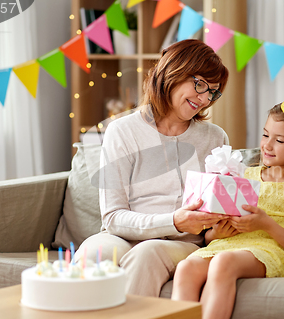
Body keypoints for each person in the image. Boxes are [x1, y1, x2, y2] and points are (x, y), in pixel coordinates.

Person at [171, 68, 284, 319]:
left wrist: (265, 224)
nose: (267, 145)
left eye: (279, 140)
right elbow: (209, 237)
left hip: (269, 250)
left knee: (224, 263)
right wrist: (216, 233)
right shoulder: (242, 175)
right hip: (229, 245)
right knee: (186, 267)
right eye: (265, 135)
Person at [76, 39, 230, 297]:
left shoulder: (215, 138)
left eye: (212, 92)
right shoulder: (123, 131)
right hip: (123, 236)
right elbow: (113, 217)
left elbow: (220, 212)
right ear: (174, 72)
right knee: (93, 253)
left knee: (148, 252)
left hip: (183, 244)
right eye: (200, 84)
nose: (205, 98)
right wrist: (174, 221)